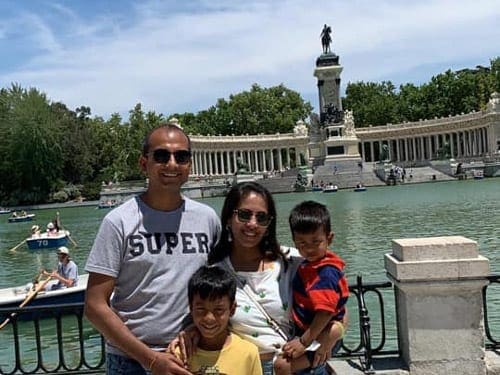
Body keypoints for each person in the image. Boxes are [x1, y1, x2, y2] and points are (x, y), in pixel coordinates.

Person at [84, 122, 221, 375]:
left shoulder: (208, 219)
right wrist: (151, 360)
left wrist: (197, 330)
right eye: (161, 155)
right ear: (143, 163)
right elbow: (94, 306)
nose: (172, 163)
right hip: (131, 361)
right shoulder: (118, 221)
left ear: (189, 164)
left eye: (181, 156)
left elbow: (218, 288)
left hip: (191, 354)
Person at [172, 181, 344, 375]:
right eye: (244, 215)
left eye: (261, 217)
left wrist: (329, 337)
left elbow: (337, 308)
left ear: (269, 224)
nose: (252, 224)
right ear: (228, 218)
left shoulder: (295, 261)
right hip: (245, 368)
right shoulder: (216, 274)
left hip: (296, 366)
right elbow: (207, 315)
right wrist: (193, 330)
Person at [274, 201, 349, 374]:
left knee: (282, 366)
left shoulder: (324, 273)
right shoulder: (315, 264)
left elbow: (326, 311)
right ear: (294, 242)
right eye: (302, 243)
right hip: (318, 332)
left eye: (316, 242)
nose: (309, 249)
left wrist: (304, 341)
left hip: (319, 333)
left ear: (329, 238)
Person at [176, 265, 262, 374]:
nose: (209, 318)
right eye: (201, 309)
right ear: (190, 307)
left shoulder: (249, 354)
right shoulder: (180, 354)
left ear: (232, 309)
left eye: (219, 310)